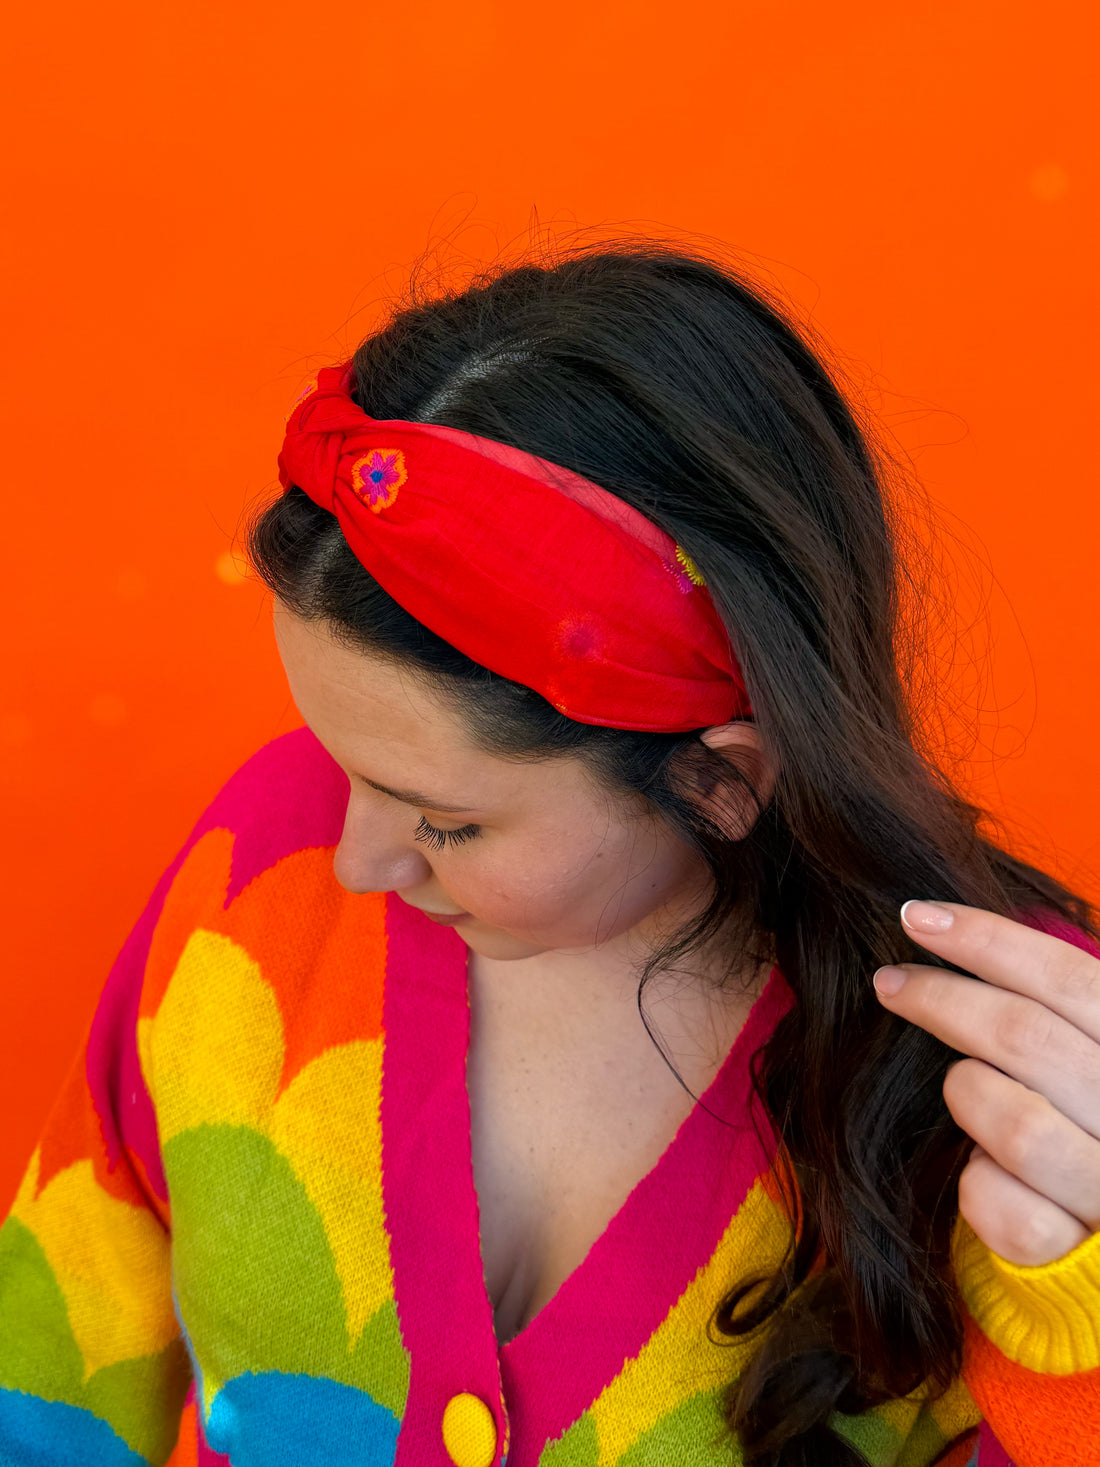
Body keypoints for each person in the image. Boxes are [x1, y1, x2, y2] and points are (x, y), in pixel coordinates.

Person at [1, 238, 1098, 1467]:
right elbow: (50, 1373)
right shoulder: (265, 855)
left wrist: (1080, 1350)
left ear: (719, 781)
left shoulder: (1028, 1083)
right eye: (337, 759)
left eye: (444, 820)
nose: (352, 858)